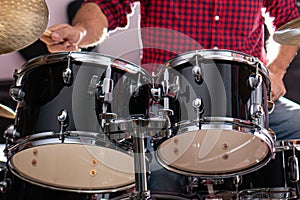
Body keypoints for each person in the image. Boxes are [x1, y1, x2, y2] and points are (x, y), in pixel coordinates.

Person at [39, 0, 300, 199]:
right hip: (168, 106)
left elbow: (290, 20)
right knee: (162, 186)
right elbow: (108, 6)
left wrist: (275, 71)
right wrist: (80, 32)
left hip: (246, 102)